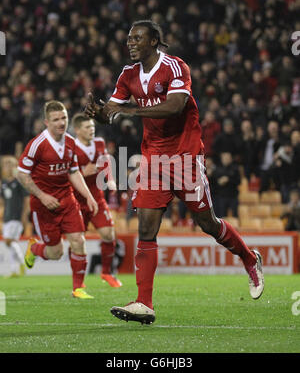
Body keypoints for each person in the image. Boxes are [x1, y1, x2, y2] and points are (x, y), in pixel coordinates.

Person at [84, 20, 264, 324]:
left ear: (154, 40)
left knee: (207, 222)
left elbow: (175, 105)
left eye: (137, 38)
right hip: (154, 158)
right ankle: (144, 303)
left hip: (185, 155)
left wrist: (128, 111)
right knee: (146, 228)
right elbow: (111, 113)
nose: (130, 43)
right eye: (128, 39)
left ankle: (249, 257)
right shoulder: (128, 74)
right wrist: (100, 114)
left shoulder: (175, 66)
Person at [17, 100, 98, 299]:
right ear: (47, 122)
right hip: (44, 205)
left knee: (78, 240)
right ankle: (35, 248)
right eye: (56, 119)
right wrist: (43, 196)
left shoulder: (71, 142)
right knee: (56, 253)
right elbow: (21, 174)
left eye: (64, 118)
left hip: (67, 199)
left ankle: (78, 288)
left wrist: (88, 196)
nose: (61, 123)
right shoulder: (37, 145)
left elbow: (73, 172)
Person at [71, 113, 122, 287]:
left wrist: (111, 179)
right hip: (77, 201)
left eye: (92, 127)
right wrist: (85, 172)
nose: (91, 130)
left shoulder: (99, 143)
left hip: (97, 198)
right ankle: (78, 282)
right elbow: (68, 175)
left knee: (109, 234)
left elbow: (105, 161)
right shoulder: (70, 147)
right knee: (78, 240)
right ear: (77, 130)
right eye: (87, 127)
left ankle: (106, 273)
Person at [0, 155, 29, 277]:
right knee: (10, 244)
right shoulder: (4, 184)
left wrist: (24, 215)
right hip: (7, 216)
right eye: (5, 165)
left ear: (15, 167)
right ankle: (14, 270)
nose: (7, 167)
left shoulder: (19, 183)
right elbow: (2, 202)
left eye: (9, 164)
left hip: (17, 216)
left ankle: (22, 263)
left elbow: (27, 200)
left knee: (9, 241)